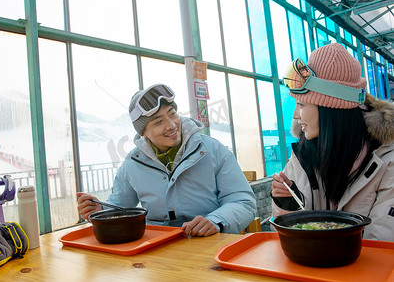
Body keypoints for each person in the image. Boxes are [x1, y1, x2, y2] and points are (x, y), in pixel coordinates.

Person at [77, 83, 257, 237]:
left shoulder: (213, 150)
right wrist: (100, 211)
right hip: (157, 249)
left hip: (210, 244)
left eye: (172, 114)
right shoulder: (132, 163)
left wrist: (216, 221)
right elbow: (121, 208)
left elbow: (243, 202)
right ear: (144, 133)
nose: (171, 125)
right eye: (158, 122)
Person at [271, 43, 394, 242]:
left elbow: (381, 249)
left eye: (301, 104)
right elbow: (291, 237)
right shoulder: (301, 156)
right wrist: (287, 204)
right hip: (309, 266)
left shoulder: (387, 160)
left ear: (330, 109)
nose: (295, 115)